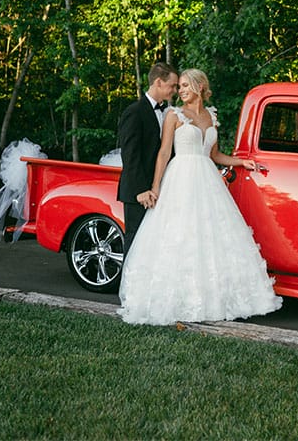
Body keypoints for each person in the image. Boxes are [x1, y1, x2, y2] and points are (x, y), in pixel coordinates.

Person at [118, 68, 282, 325]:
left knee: (209, 236)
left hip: (207, 180)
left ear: (199, 87)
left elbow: (215, 155)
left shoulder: (211, 116)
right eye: (178, 86)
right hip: (179, 178)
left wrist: (241, 162)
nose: (180, 91)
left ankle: (214, 297)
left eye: (184, 86)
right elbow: (163, 153)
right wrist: (155, 186)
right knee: (179, 236)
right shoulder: (174, 115)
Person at [117, 62, 179, 257]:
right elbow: (130, 155)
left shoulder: (169, 114)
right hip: (139, 191)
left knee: (154, 243)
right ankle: (127, 287)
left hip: (161, 188)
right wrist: (141, 190)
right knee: (136, 241)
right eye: (172, 86)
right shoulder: (134, 111)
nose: (175, 91)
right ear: (159, 82)